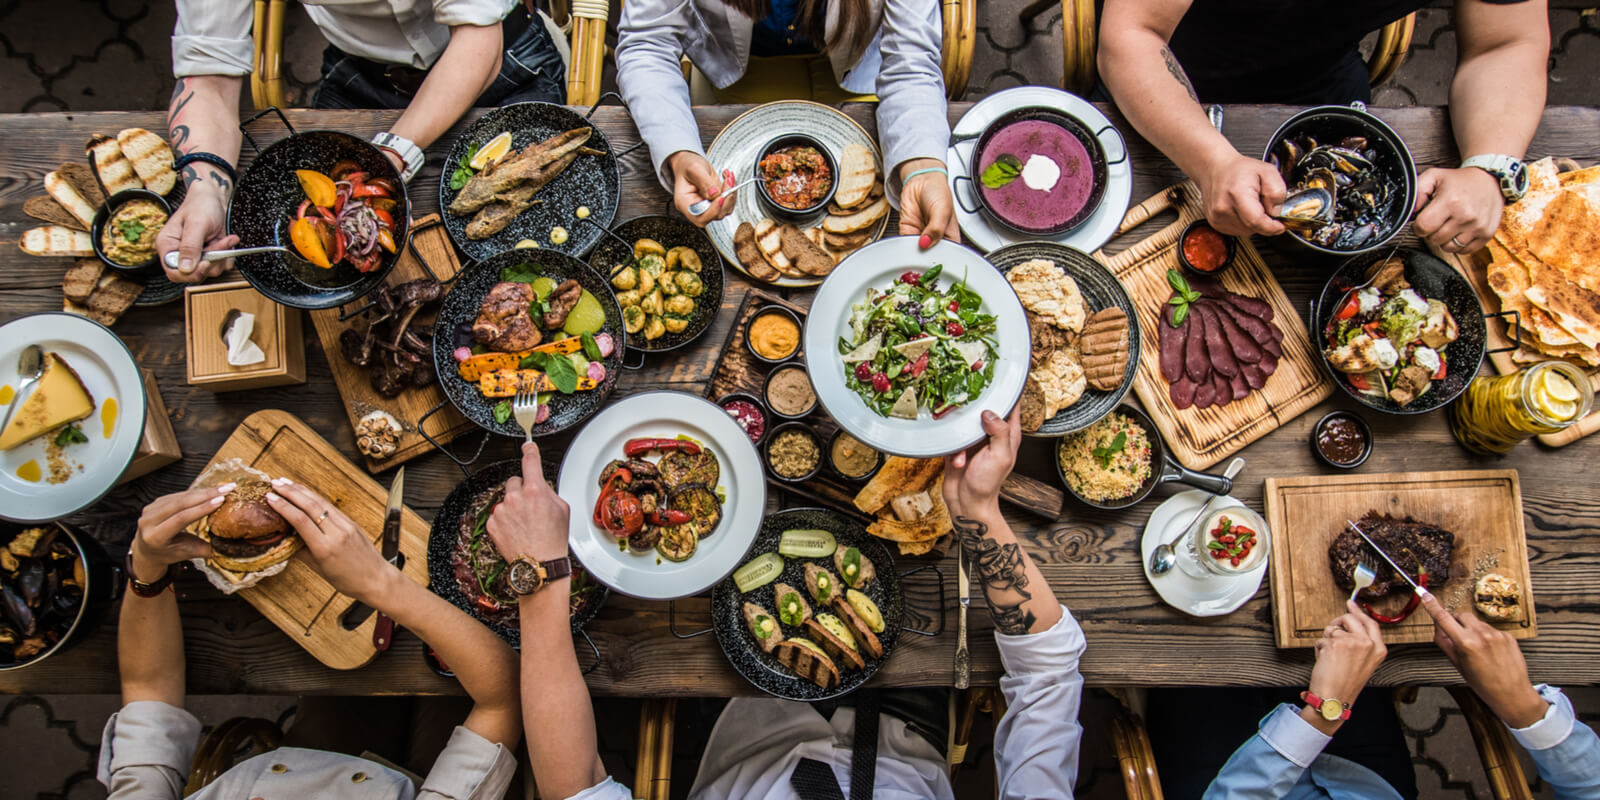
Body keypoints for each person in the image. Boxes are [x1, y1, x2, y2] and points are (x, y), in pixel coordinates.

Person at [484, 411, 1084, 799]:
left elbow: (573, 788)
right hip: (910, 725)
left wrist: (539, 577)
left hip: (746, 718)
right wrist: (978, 511)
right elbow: (1050, 674)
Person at [98, 480, 523, 799]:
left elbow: (147, 688)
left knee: (344, 692)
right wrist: (379, 584)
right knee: (444, 695)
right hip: (434, 776)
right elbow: (502, 698)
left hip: (301, 758)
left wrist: (147, 570)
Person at [158, 0, 568, 283]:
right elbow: (206, 79)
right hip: (362, 74)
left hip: (500, 59)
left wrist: (389, 157)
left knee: (527, 248)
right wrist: (205, 190)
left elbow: (479, 42)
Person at [1098, 0, 1550, 254]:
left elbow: (1505, 42)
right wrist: (1212, 161)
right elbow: (1132, 35)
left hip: (1320, 75)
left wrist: (1489, 166)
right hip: (1166, 70)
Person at [1153, 592, 1600, 799]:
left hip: (1225, 783)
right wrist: (1522, 707)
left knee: (1185, 653)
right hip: (1364, 782)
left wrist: (1323, 714)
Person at [614, 0, 959, 250]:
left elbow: (910, 64)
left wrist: (921, 168)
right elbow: (647, 43)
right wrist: (679, 151)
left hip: (854, 68)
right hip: (737, 70)